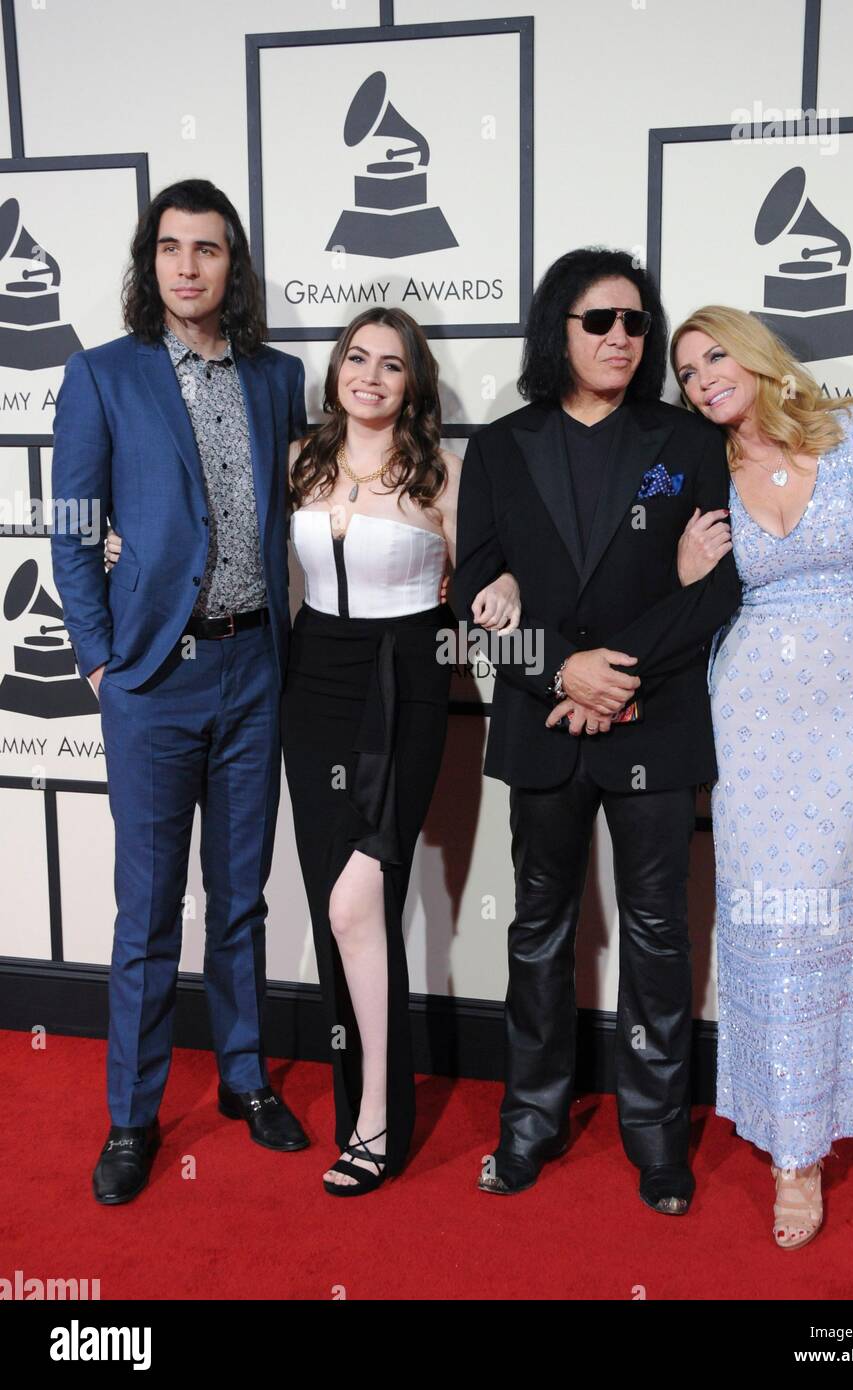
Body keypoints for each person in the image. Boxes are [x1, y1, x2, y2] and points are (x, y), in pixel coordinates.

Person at [453, 248, 742, 1212]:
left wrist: (610, 676)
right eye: (598, 321)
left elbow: (719, 591)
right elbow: (474, 594)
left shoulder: (688, 439)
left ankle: (656, 1137)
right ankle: (529, 1123)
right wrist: (554, 672)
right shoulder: (498, 447)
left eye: (634, 323)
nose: (622, 337)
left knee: (658, 936)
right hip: (543, 727)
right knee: (539, 931)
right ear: (557, 331)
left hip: (653, 721)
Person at [51, 179, 310, 1206]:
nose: (189, 266)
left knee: (240, 895)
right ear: (149, 260)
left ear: (230, 266)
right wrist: (100, 658)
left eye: (208, 249)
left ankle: (245, 1078)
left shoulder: (278, 378)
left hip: (255, 666)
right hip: (153, 679)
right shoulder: (100, 377)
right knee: (148, 907)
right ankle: (133, 1114)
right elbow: (74, 525)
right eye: (171, 247)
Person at [670, 305, 853, 1247]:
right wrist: (684, 563)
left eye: (713, 355)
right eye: (686, 372)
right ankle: (790, 1152)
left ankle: (808, 1132)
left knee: (818, 920)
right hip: (747, 714)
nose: (702, 376)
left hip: (845, 713)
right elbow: (696, 601)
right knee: (758, 921)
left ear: (752, 354)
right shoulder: (707, 473)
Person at [281, 306, 519, 1195]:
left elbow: (492, 568)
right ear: (337, 369)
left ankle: (378, 1118)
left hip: (407, 683)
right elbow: (241, 553)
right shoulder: (302, 460)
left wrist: (498, 595)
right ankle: (360, 1107)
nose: (370, 376)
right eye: (356, 358)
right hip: (313, 684)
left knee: (355, 902)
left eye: (391, 364)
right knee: (334, 905)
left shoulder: (442, 473)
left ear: (413, 382)